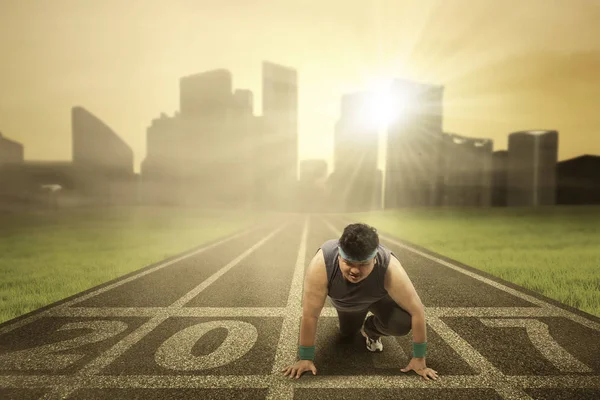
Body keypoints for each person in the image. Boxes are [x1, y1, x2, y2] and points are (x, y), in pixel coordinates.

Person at [282, 223, 438, 381]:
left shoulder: (390, 268)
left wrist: (419, 359)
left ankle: (371, 331)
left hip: (379, 300)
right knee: (348, 333)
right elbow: (310, 315)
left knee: (402, 323)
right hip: (347, 305)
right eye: (348, 263)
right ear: (338, 257)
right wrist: (305, 358)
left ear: (375, 259)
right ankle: (356, 326)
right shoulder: (321, 265)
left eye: (363, 264)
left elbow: (417, 311)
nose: (355, 271)